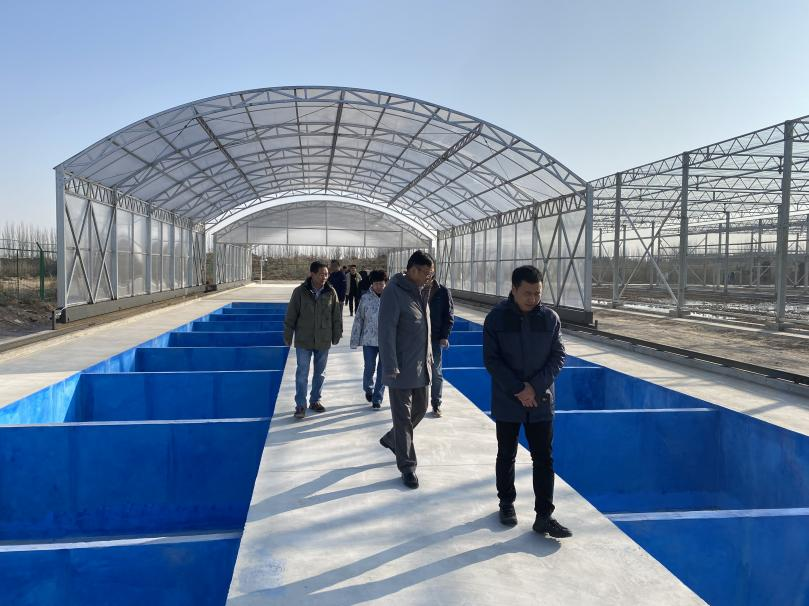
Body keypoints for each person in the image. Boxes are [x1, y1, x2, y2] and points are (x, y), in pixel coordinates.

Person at [483, 265, 571, 538]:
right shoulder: (496, 318)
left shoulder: (550, 319)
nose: (533, 299)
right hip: (508, 400)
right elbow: (492, 360)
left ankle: (544, 516)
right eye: (527, 293)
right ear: (513, 289)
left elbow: (558, 356)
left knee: (543, 458)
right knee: (506, 453)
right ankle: (506, 503)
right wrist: (519, 389)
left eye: (537, 293)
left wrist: (535, 387)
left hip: (541, 400)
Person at [378, 251, 434, 489]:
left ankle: (393, 439)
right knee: (402, 419)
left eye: (431, 273)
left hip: (421, 365)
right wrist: (390, 364)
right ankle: (407, 466)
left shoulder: (421, 291)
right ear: (413, 270)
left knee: (420, 409)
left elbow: (425, 327)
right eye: (426, 273)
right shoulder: (394, 291)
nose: (429, 277)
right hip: (400, 367)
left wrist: (430, 358)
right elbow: (386, 330)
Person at [284, 260, 343, 419]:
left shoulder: (331, 292)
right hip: (304, 339)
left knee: (320, 373)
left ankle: (315, 400)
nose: (325, 277)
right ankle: (300, 405)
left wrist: (337, 334)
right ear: (312, 274)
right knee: (302, 373)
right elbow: (291, 315)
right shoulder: (299, 292)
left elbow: (336, 315)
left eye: (327, 274)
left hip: (323, 339)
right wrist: (288, 335)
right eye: (322, 274)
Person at [350, 269, 388, 409]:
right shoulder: (365, 298)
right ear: (372, 284)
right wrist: (355, 339)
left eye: (381, 284)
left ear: (385, 283)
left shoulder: (391, 298)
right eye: (376, 284)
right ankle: (368, 388)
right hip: (369, 341)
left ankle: (377, 398)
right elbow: (359, 319)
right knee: (369, 367)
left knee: (383, 370)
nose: (379, 286)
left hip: (386, 341)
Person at [423, 276, 454, 417]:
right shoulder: (415, 288)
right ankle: (418, 402)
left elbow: (449, 315)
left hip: (435, 338)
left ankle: (436, 403)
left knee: (436, 371)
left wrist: (444, 336)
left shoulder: (443, 292)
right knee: (417, 371)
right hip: (417, 338)